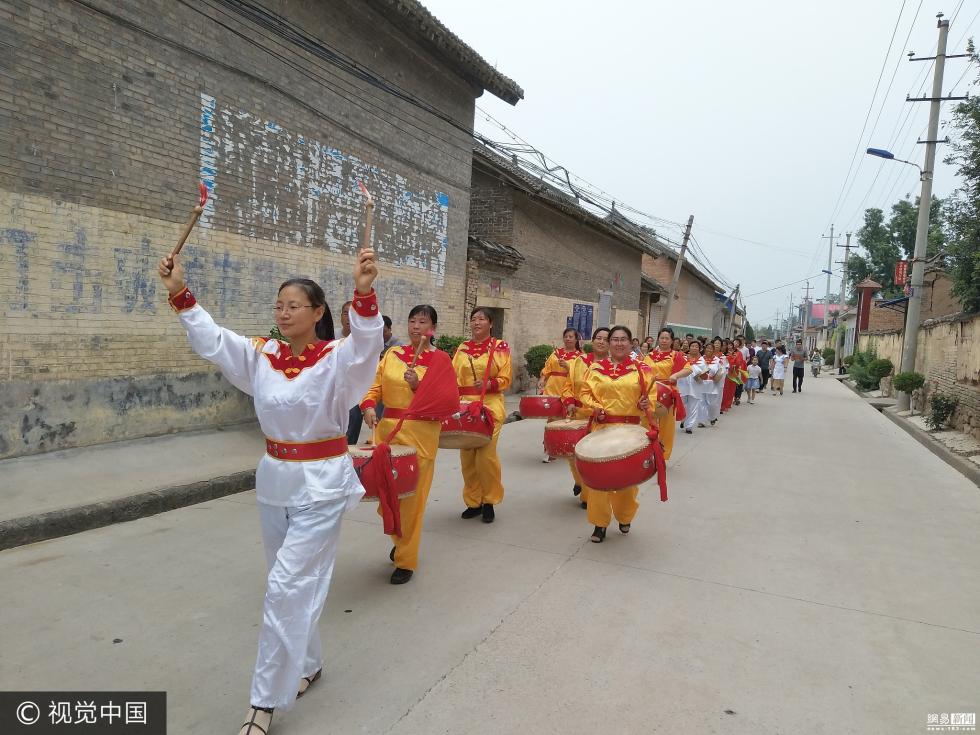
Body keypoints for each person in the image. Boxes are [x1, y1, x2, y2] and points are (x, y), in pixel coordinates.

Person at [159, 246, 382, 735]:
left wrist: (364, 293)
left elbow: (367, 346)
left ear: (319, 312)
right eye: (278, 304)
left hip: (323, 483)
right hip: (275, 481)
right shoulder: (261, 354)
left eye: (294, 305)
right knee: (289, 584)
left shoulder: (336, 359)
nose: (282, 312)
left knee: (285, 586)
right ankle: (308, 664)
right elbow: (213, 341)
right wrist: (181, 293)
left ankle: (262, 703)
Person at [360, 305, 458, 584]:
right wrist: (368, 405)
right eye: (412, 321)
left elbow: (447, 400)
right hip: (388, 432)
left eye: (422, 322)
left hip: (421, 434)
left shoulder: (440, 360)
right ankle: (401, 538)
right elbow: (375, 385)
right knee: (387, 492)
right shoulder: (392, 354)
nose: (415, 326)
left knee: (412, 501)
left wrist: (418, 386)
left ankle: (406, 559)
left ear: (432, 329)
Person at [578, 325, 659, 543]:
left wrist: (646, 403)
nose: (619, 343)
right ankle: (599, 523)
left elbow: (651, 397)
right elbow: (584, 393)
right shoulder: (595, 368)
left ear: (631, 343)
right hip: (602, 429)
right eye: (615, 339)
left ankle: (624, 516)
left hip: (630, 431)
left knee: (626, 481)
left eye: (624, 339)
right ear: (609, 342)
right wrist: (596, 408)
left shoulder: (642, 369)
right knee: (598, 480)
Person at [452, 307, 512, 523]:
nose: (476, 322)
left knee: (486, 456)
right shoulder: (463, 348)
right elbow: (452, 375)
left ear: (491, 323)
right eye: (473, 319)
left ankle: (489, 500)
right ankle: (473, 501)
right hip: (465, 406)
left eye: (481, 319)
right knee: (467, 456)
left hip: (490, 404)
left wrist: (490, 383)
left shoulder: (500, 347)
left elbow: (505, 377)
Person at [563, 327, 611, 508]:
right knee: (573, 456)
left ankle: (587, 495)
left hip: (601, 418)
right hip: (577, 413)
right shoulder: (578, 361)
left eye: (605, 339)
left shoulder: (613, 366)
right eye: (598, 338)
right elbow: (568, 385)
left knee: (592, 456)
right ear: (592, 340)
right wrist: (568, 401)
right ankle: (579, 481)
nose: (601, 342)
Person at [644, 327, 691, 460]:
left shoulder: (675, 355)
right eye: (662, 338)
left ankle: (662, 455)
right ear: (658, 338)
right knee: (647, 422)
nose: (664, 341)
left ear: (671, 341)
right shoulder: (649, 355)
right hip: (650, 394)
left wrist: (676, 375)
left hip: (667, 394)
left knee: (666, 426)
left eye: (667, 338)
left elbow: (688, 369)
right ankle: (645, 452)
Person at [538, 328, 583, 463]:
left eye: (571, 337)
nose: (568, 339)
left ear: (576, 340)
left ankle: (568, 446)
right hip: (553, 388)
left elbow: (580, 373)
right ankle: (550, 449)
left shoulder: (580, 356)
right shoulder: (555, 353)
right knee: (552, 420)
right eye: (566, 336)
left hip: (569, 388)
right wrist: (542, 379)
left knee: (568, 419)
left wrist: (568, 367)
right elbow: (547, 369)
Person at [340, 301, 364, 446]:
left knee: (351, 432)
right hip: (331, 391)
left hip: (353, 392)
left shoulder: (364, 341)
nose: (349, 318)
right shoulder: (330, 335)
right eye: (345, 313)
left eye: (353, 314)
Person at [677, 340, 707, 434]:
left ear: (700, 348)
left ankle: (689, 426)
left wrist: (700, 375)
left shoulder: (702, 360)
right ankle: (684, 419)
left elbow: (705, 375)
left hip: (696, 385)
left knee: (693, 406)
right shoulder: (683, 357)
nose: (694, 348)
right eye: (692, 346)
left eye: (696, 346)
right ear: (689, 348)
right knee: (683, 404)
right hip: (683, 384)